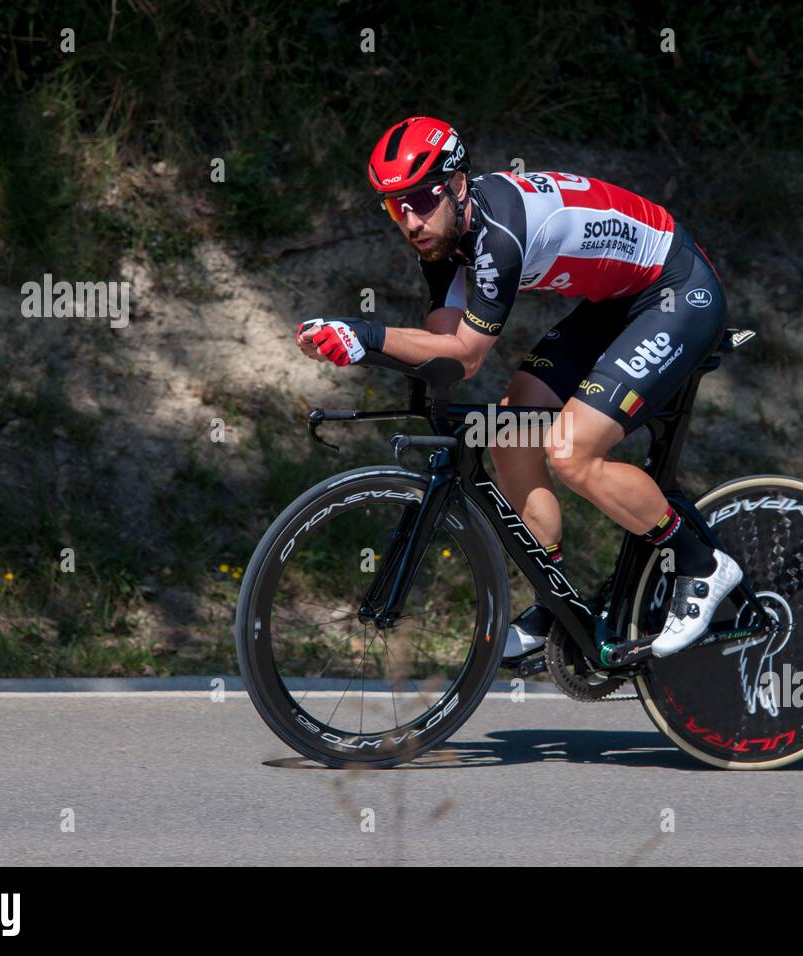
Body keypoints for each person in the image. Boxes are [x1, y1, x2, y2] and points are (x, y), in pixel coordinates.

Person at [298, 116, 742, 660]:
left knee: (571, 452)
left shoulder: (498, 235)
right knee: (512, 430)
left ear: (458, 185)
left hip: (676, 290)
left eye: (419, 198)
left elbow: (465, 356)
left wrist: (366, 336)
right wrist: (368, 347)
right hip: (617, 302)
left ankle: (701, 565)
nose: (409, 220)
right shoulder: (442, 237)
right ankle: (557, 606)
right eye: (394, 206)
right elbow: (442, 346)